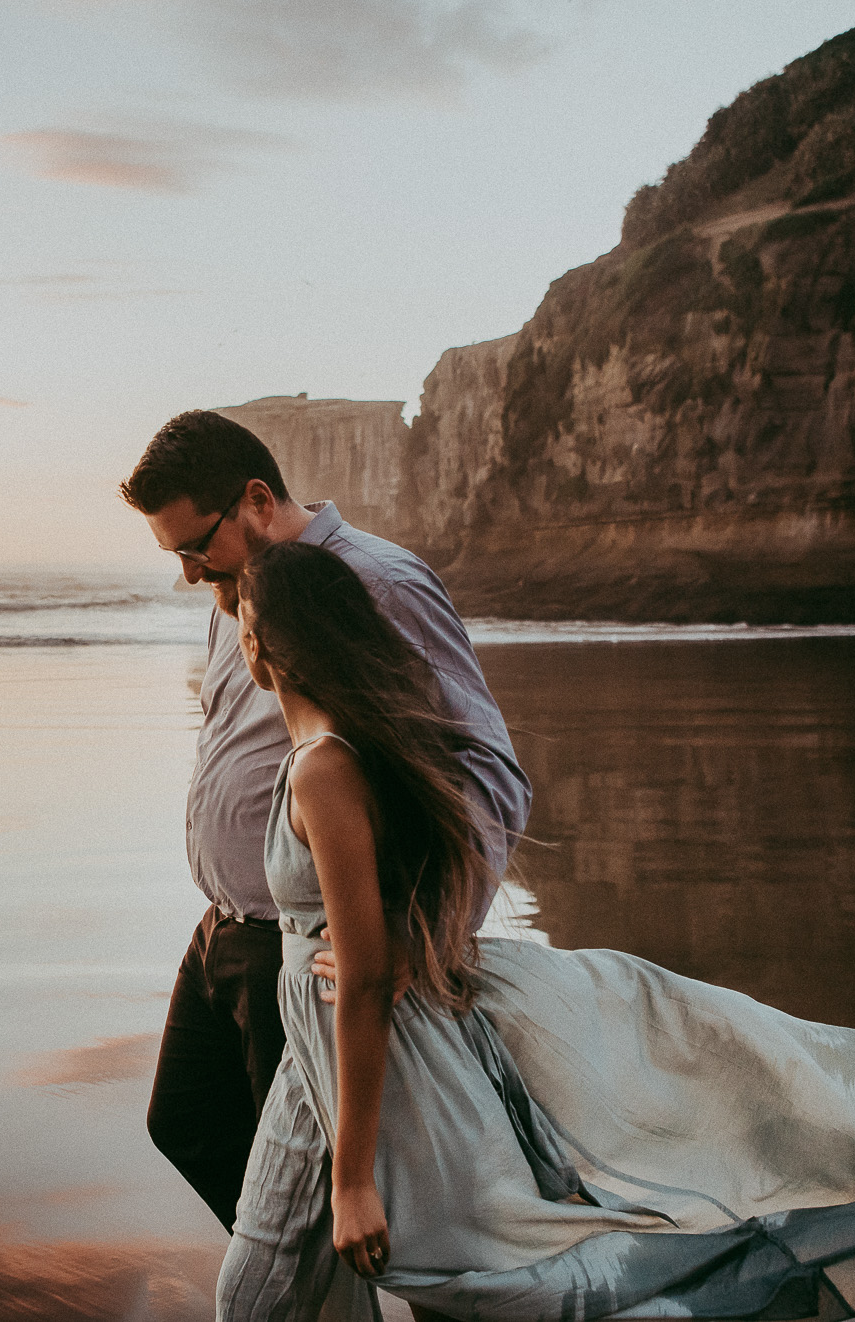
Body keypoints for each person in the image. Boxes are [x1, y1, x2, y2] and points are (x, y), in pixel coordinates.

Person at [217, 540, 855, 1322]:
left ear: (263, 644)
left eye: (243, 619)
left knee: (310, 1292)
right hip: (324, 1052)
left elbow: (365, 978)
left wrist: (353, 1181)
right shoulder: (340, 749)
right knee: (311, 1290)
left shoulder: (323, 766)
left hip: (367, 1055)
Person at [119, 410, 531, 1235]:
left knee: (315, 1194)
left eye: (197, 546)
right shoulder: (239, 583)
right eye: (178, 557)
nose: (193, 574)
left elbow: (488, 770)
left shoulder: (382, 581)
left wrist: (430, 934)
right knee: (188, 1122)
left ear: (258, 500)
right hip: (225, 931)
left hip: (307, 953)